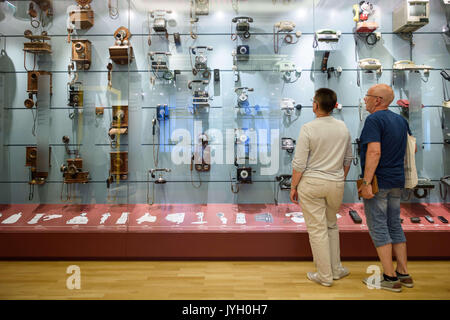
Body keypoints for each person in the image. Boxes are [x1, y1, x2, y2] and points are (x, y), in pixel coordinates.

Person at [290, 88, 353, 287]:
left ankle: (324, 276)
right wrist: (339, 178)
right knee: (331, 225)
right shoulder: (343, 127)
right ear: (334, 105)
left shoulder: (308, 128)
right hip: (336, 182)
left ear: (315, 105)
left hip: (312, 183)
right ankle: (336, 270)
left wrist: (293, 186)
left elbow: (299, 164)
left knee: (317, 230)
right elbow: (348, 159)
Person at [358, 84, 414, 293]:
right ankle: (403, 272)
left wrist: (366, 182)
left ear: (378, 100)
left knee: (379, 226)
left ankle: (389, 277)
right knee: (394, 225)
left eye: (367, 96)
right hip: (396, 180)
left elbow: (374, 152)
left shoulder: (373, 120)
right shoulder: (401, 120)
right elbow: (412, 147)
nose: (365, 100)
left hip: (378, 182)